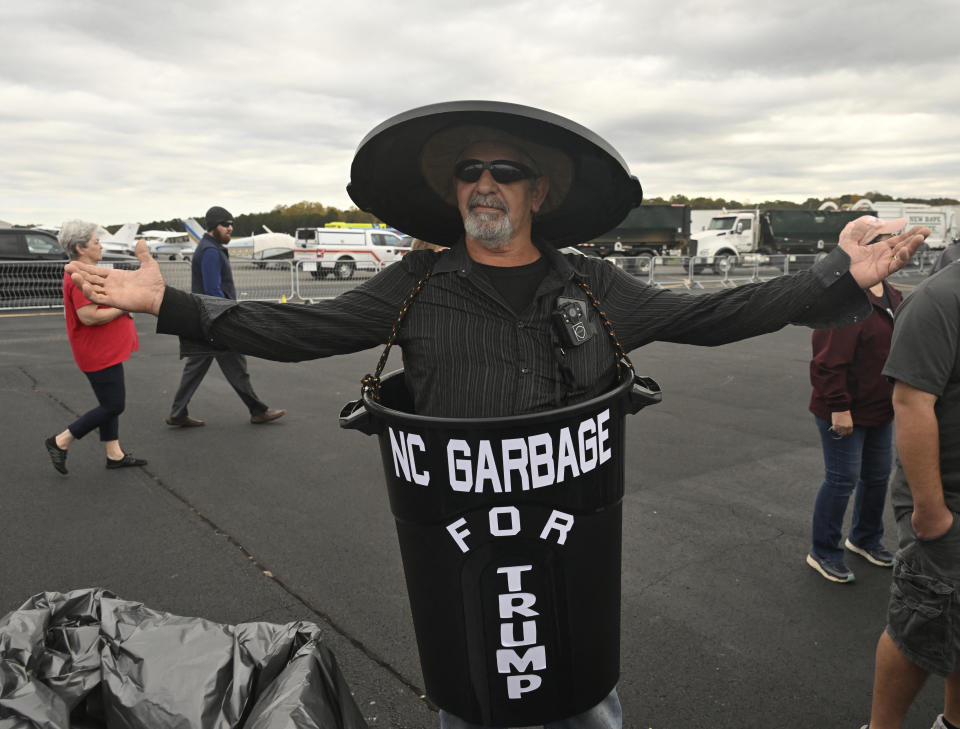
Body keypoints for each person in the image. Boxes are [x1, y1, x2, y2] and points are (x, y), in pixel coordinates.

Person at [66, 102, 930, 729]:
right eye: (470, 173)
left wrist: (835, 278)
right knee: (476, 699)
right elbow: (301, 329)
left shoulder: (595, 284)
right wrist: (168, 303)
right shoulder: (417, 286)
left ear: (539, 192)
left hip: (572, 545)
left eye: (504, 172)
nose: (484, 185)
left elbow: (719, 313)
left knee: (585, 702)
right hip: (458, 550)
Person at [860, 250, 960, 729]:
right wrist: (932, 514)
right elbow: (912, 402)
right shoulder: (939, 299)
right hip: (949, 503)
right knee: (920, 621)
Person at [805, 279, 903, 583]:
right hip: (843, 409)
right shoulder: (844, 300)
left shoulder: (891, 293)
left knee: (876, 476)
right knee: (841, 479)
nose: (895, 251)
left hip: (879, 407)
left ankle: (865, 539)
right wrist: (839, 407)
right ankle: (823, 552)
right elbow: (826, 363)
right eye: (886, 244)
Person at [164, 206, 285, 427]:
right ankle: (258, 411)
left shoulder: (211, 248)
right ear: (213, 226)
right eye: (225, 224)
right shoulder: (210, 251)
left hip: (205, 320)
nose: (230, 228)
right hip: (216, 321)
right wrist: (227, 320)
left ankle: (178, 412)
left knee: (200, 367)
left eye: (232, 225)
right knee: (234, 366)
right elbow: (213, 291)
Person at [43, 220, 147, 474]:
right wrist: (125, 307)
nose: (101, 246)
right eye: (96, 242)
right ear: (80, 248)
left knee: (109, 402)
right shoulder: (80, 276)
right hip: (97, 352)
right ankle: (61, 441)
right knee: (113, 405)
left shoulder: (89, 271)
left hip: (106, 350)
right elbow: (89, 316)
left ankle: (114, 454)